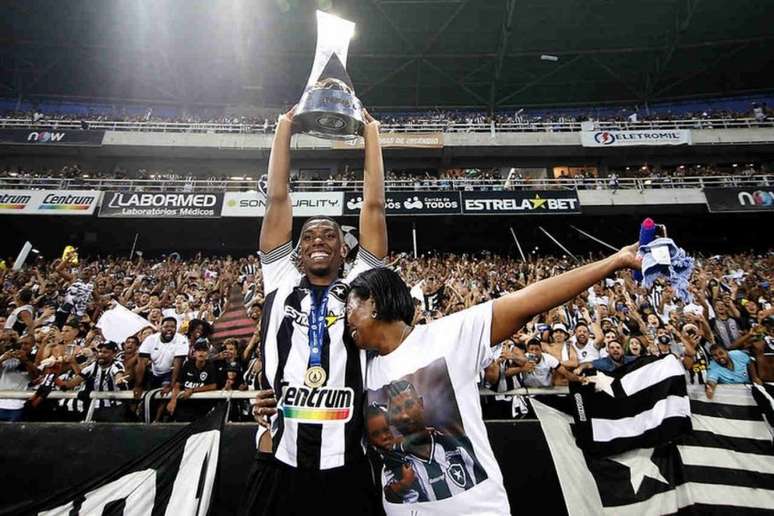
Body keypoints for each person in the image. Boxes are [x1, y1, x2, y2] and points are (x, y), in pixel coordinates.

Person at [347, 243, 641, 515]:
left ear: (373, 303)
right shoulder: (362, 367)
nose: (346, 319)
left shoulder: (449, 336)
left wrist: (614, 261)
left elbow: (530, 301)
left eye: (350, 307)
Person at [239, 105, 387, 515]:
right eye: (308, 236)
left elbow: (373, 208)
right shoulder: (280, 279)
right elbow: (278, 196)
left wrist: (370, 134)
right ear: (298, 250)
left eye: (329, 235)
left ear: (344, 248)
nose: (318, 239)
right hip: (278, 457)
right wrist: (284, 128)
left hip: (347, 460)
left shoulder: (362, 282)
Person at [57, 341, 129, 422]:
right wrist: (54, 375)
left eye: (105, 352)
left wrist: (119, 380)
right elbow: (69, 384)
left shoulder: (116, 364)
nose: (101, 354)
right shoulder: (93, 366)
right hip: (95, 407)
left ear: (114, 354)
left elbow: (118, 375)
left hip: (114, 408)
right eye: (100, 351)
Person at [134, 317, 189, 398]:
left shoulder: (181, 339)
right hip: (153, 371)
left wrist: (172, 384)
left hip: (170, 372)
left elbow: (178, 364)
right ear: (160, 328)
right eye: (166, 327)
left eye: (173, 327)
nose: (169, 329)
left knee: (164, 396)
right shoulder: (150, 339)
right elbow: (142, 363)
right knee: (145, 395)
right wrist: (138, 385)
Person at [166, 340, 218, 421]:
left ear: (208, 353)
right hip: (184, 405)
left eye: (204, 350)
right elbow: (178, 384)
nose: (201, 353)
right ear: (194, 353)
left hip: (202, 407)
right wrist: (173, 400)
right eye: (198, 350)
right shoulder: (188, 365)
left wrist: (193, 390)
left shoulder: (211, 366)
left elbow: (213, 385)